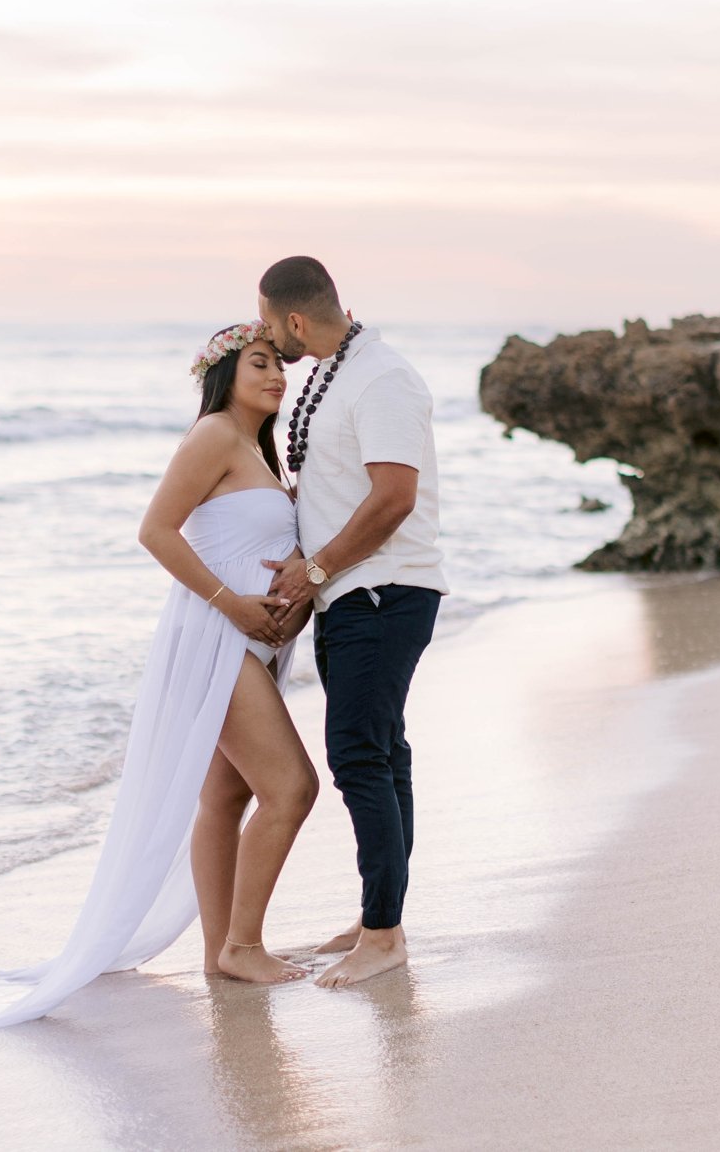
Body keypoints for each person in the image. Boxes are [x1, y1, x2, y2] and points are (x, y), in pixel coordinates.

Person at [0, 322, 319, 1043]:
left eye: (279, 366)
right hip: (213, 635)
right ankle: (242, 946)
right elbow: (157, 531)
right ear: (223, 374)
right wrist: (229, 603)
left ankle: (218, 953)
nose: (275, 376)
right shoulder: (212, 435)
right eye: (259, 364)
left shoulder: (255, 452)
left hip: (250, 644)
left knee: (227, 794)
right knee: (291, 788)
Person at [257, 257, 448, 990]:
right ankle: (378, 915)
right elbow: (333, 490)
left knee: (359, 756)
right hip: (351, 593)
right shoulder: (337, 374)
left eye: (274, 326)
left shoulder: (383, 378)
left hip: (385, 591)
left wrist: (316, 568)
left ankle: (385, 935)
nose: (272, 341)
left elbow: (394, 497)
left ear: (296, 320)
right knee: (380, 753)